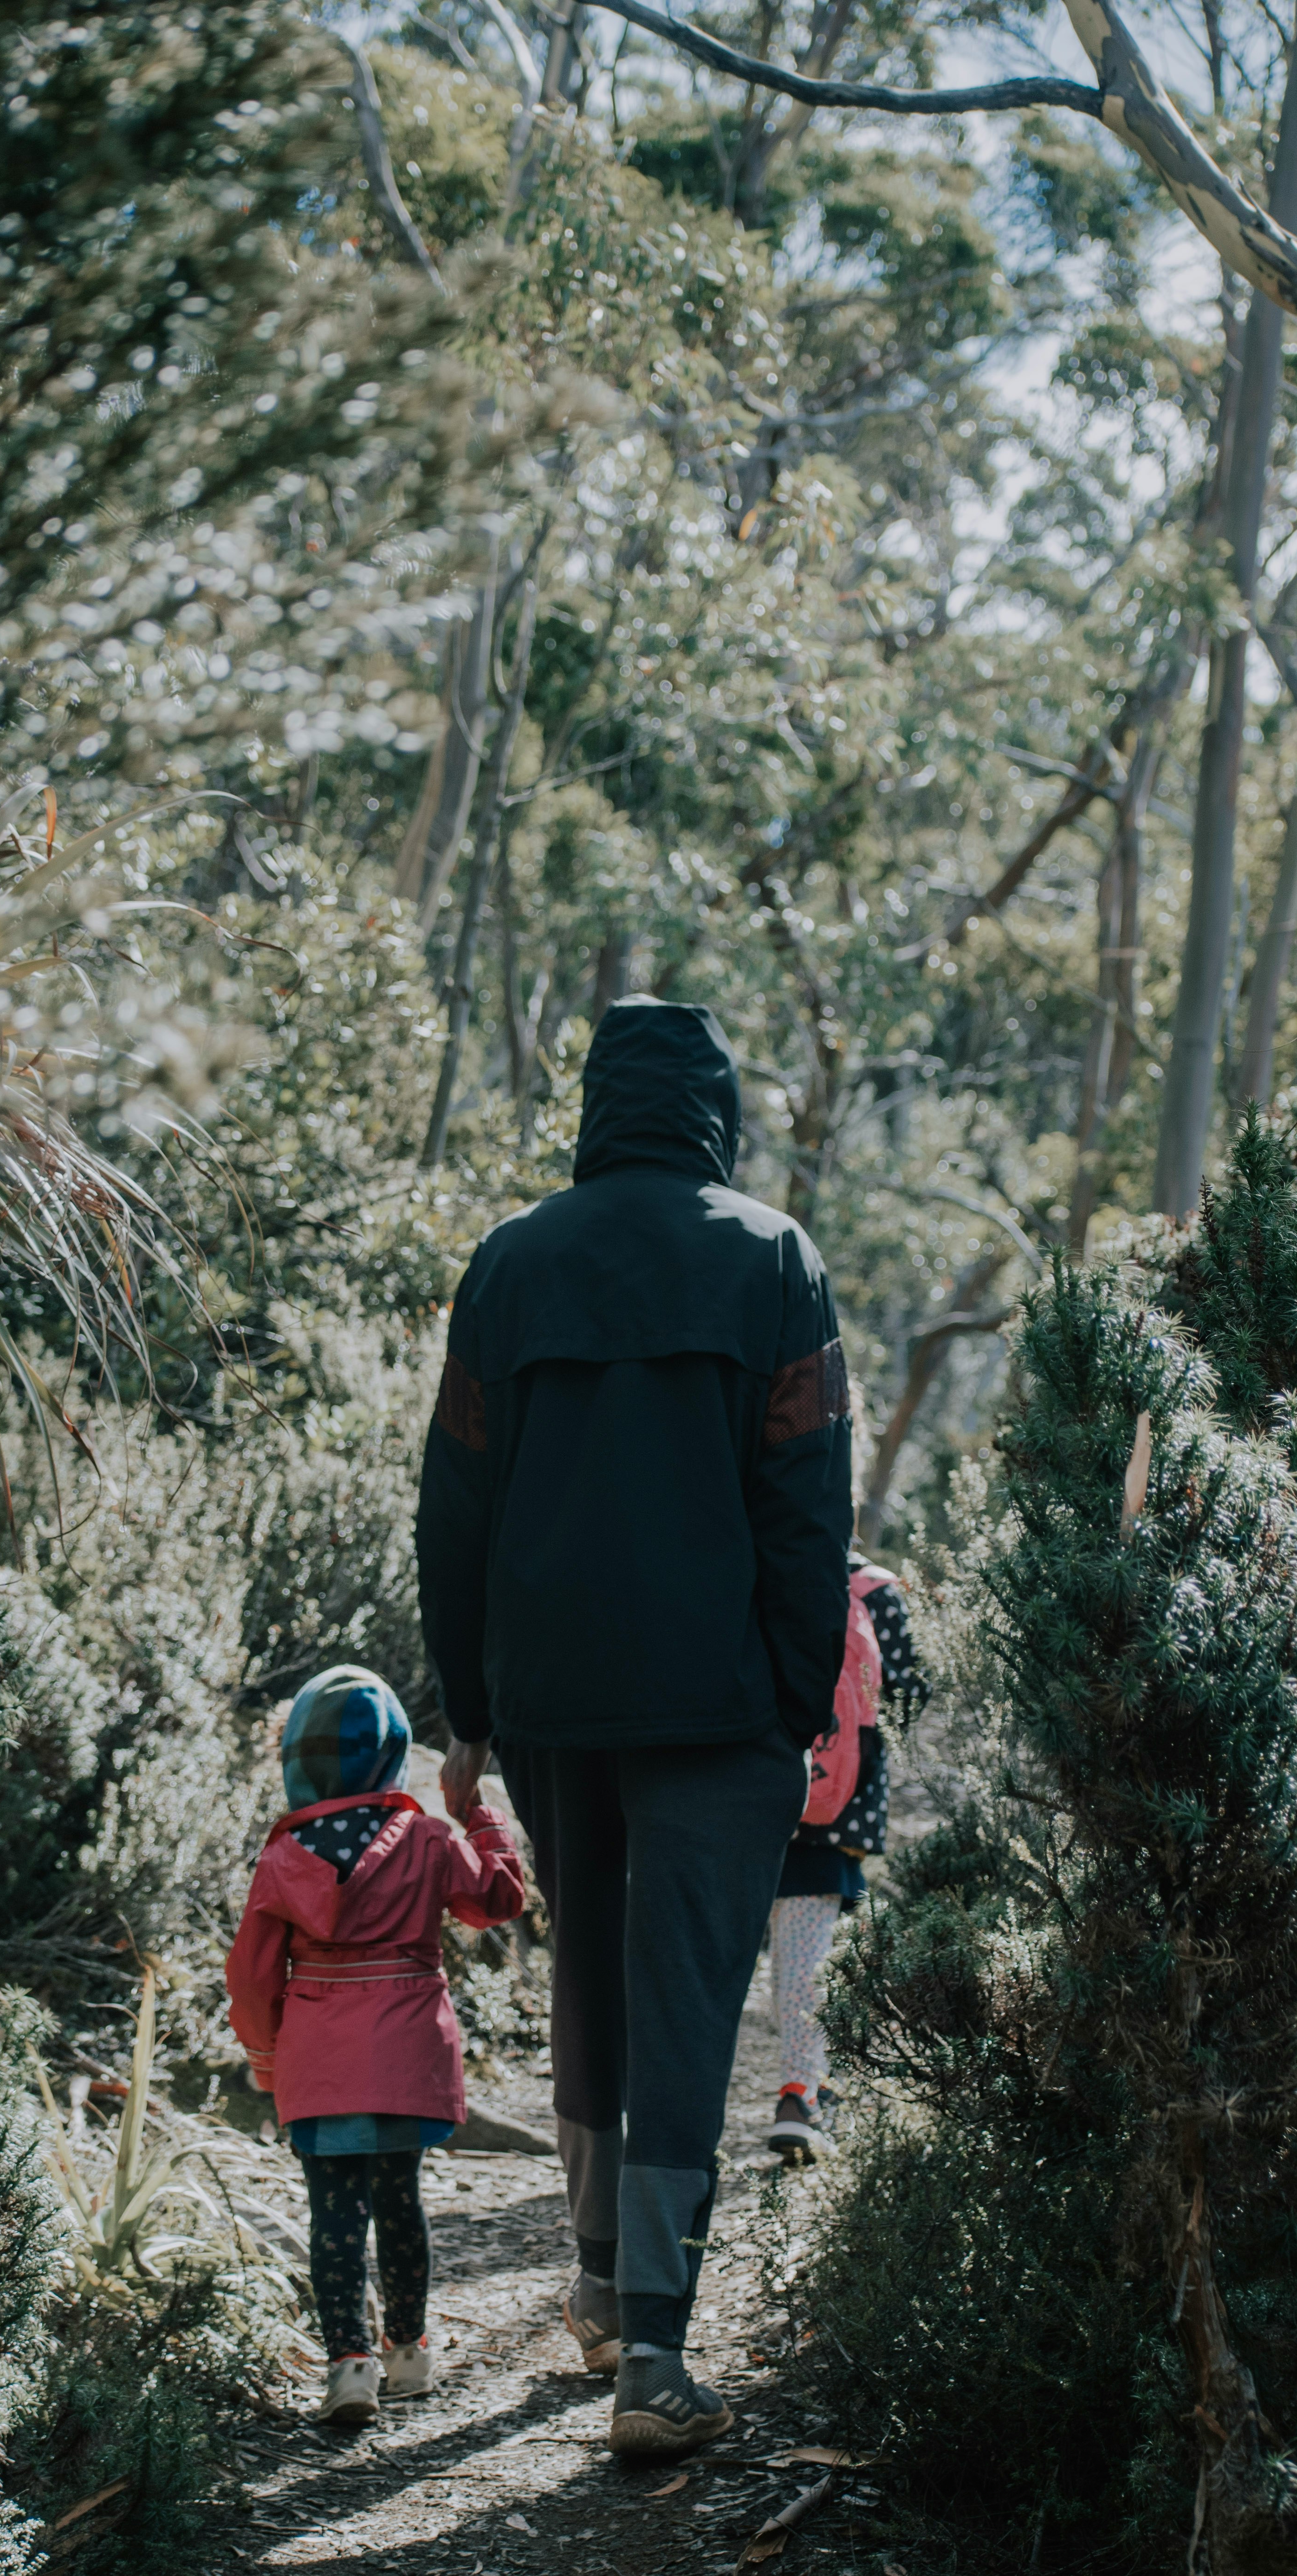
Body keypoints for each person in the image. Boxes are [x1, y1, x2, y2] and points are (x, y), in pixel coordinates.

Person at [415, 996, 851, 2457]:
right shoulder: (772, 1259)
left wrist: (466, 1707)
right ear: (717, 1105)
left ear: (598, 1107)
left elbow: (456, 1499)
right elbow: (807, 1503)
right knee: (682, 2000)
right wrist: (801, 1701)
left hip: (551, 1696)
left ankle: (600, 2285)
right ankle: (653, 2355)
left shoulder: (511, 1265)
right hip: (721, 1706)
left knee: (597, 1981)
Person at [225, 1662, 524, 2428]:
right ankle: (409, 2353)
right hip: (406, 2059)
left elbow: (254, 1976)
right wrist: (476, 1815)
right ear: (391, 1753)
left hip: (319, 2065)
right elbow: (498, 1901)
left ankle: (348, 2367)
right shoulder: (426, 1838)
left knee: (334, 2216)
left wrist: (265, 2059)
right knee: (400, 2205)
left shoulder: (283, 1857)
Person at [765, 1550, 928, 2162]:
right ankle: (801, 2097)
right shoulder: (875, 1589)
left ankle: (806, 2089)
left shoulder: (763, 1561)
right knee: (808, 1963)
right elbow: (910, 1690)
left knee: (766, 1964)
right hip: (838, 1807)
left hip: (748, 1790)